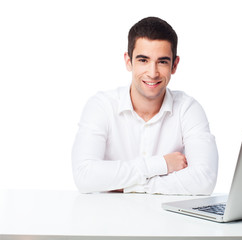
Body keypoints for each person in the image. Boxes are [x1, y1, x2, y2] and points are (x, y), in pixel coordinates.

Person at [72, 17, 218, 195]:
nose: (153, 72)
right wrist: (162, 164)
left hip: (169, 221)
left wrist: (132, 186)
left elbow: (204, 181)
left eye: (162, 61)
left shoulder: (188, 109)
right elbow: (85, 176)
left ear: (174, 65)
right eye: (143, 60)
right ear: (128, 61)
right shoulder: (101, 106)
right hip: (108, 218)